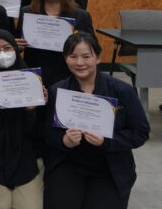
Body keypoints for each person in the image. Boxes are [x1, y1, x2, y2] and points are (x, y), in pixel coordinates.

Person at [42, 33, 149, 209]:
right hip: (68, 164)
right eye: (73, 56)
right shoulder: (58, 91)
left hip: (109, 168)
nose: (79, 63)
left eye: (86, 56)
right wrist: (64, 140)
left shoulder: (122, 91)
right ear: (65, 59)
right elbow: (47, 133)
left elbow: (140, 133)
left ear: (98, 58)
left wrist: (107, 141)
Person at [0, 30, 45, 209]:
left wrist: (31, 110)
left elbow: (39, 134)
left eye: (7, 48)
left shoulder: (30, 81)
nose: (2, 54)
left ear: (16, 49)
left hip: (25, 154)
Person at [17, 0, 94, 90]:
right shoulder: (27, 12)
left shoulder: (80, 15)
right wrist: (17, 45)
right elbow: (18, 43)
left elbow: (92, 47)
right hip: (36, 74)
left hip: (68, 74)